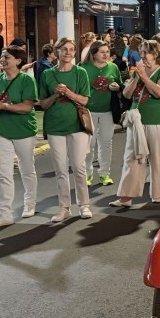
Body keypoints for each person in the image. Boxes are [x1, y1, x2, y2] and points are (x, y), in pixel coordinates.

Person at [0, 45, 39, 227]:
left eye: (7, 57)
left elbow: (27, 107)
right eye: (2, 56)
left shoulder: (27, 81)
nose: (3, 59)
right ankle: (5, 213)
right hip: (1, 132)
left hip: (24, 131)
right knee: (4, 173)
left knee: (27, 169)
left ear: (18, 61)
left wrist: (4, 107)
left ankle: (30, 204)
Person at [110, 40, 160, 207]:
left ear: (156, 54)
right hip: (137, 121)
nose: (142, 56)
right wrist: (137, 78)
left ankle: (158, 194)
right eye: (141, 52)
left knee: (157, 159)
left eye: (146, 52)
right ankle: (125, 197)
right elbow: (126, 94)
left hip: (158, 122)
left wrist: (145, 77)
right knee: (131, 158)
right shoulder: (138, 72)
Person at [40, 38, 92, 222]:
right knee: (60, 169)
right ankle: (64, 208)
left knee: (78, 166)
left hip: (77, 125)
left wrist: (68, 93)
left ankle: (84, 205)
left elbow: (85, 100)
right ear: (57, 52)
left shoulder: (80, 72)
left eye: (71, 49)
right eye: (64, 50)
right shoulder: (47, 74)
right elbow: (43, 104)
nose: (68, 53)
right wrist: (55, 93)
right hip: (55, 127)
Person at [83, 41, 122, 187]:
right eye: (102, 52)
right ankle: (87, 174)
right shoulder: (84, 68)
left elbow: (120, 85)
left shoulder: (113, 67)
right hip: (89, 111)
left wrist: (117, 87)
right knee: (89, 144)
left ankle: (105, 174)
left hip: (108, 111)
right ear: (93, 54)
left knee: (106, 142)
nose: (105, 54)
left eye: (107, 51)